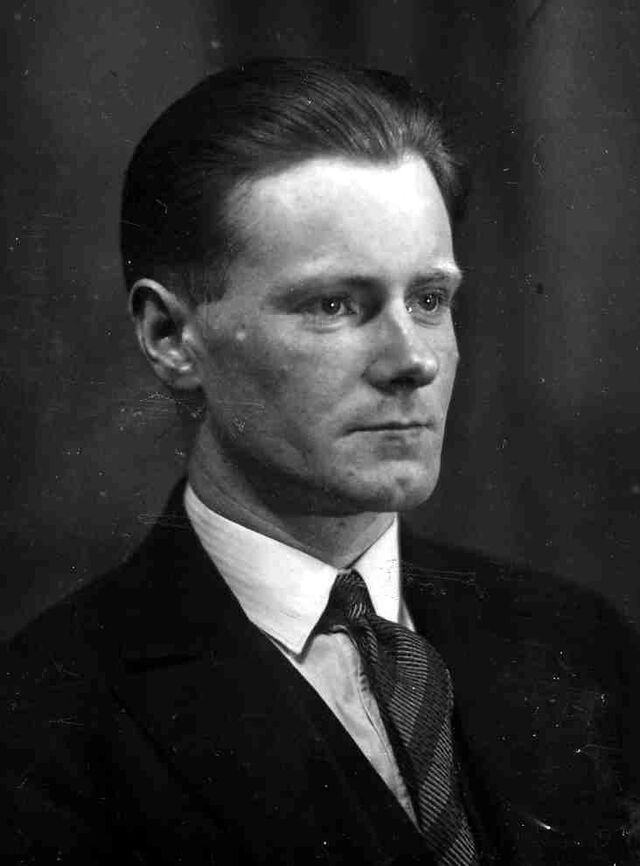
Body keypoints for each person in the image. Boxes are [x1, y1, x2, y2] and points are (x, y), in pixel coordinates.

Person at [1, 57, 639, 865]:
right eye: (334, 305)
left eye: (430, 300)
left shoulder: (580, 646)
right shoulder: (47, 725)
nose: (413, 360)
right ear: (170, 337)